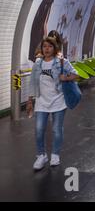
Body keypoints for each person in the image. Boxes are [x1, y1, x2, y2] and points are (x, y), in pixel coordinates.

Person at [27, 37, 79, 170]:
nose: (47, 49)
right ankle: (41, 155)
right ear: (41, 48)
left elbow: (76, 74)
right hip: (41, 102)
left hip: (58, 100)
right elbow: (33, 82)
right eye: (44, 46)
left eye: (50, 46)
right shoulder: (38, 63)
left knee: (56, 130)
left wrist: (65, 78)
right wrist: (29, 101)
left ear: (54, 48)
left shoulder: (61, 62)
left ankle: (55, 154)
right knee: (39, 130)